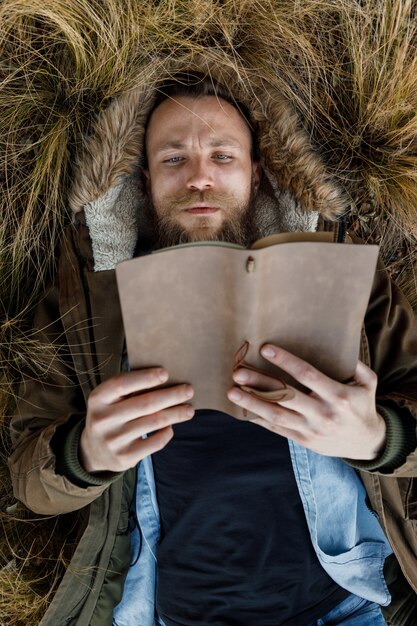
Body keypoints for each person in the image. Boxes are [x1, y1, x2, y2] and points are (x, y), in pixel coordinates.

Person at [8, 75, 417, 626]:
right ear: (144, 178)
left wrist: (376, 436)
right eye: (174, 158)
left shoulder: (343, 274)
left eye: (222, 155)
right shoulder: (85, 296)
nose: (199, 177)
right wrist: (84, 455)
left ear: (255, 172)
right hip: (167, 614)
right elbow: (29, 481)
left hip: (342, 605)